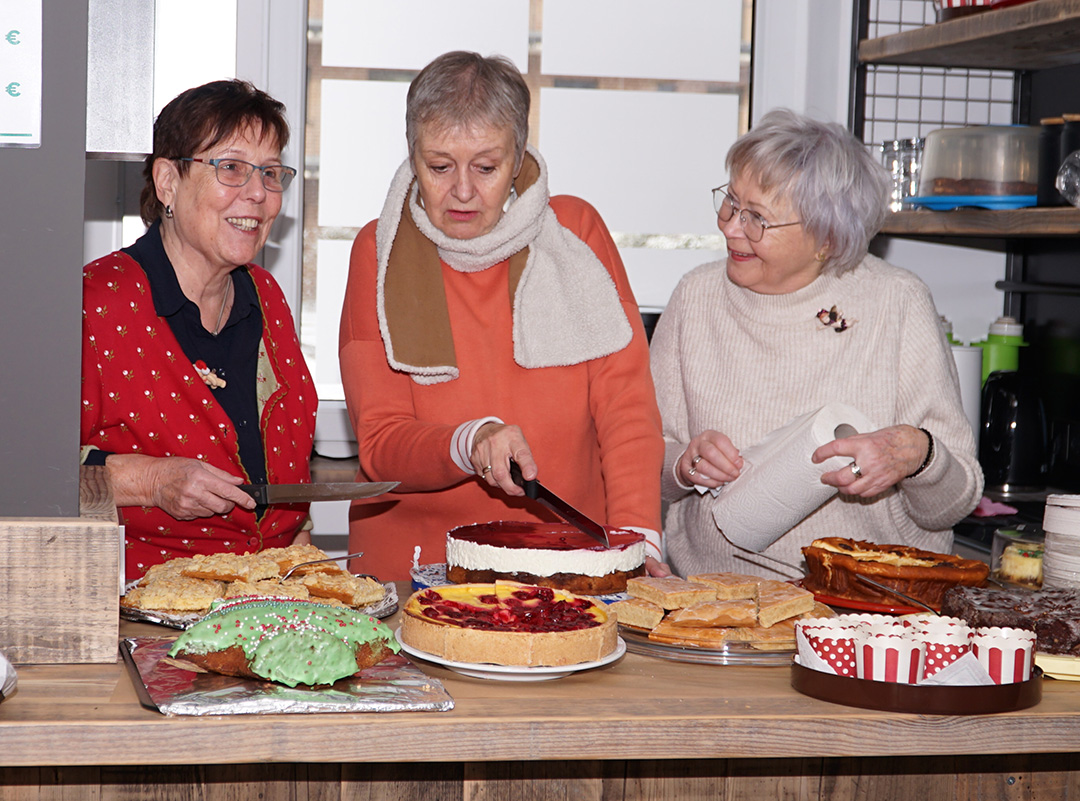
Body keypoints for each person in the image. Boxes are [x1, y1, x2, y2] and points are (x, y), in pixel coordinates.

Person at [339, 51, 665, 581]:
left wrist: (637, 538)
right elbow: (381, 444)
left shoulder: (575, 235)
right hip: (414, 571)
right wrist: (470, 441)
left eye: (486, 168)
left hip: (571, 563)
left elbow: (626, 409)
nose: (462, 191)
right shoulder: (378, 251)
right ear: (412, 155)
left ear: (517, 159)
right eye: (439, 167)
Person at [649, 108, 983, 579]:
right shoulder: (696, 298)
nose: (729, 226)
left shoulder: (896, 302)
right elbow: (643, 458)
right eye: (729, 201)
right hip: (717, 603)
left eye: (756, 218)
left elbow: (950, 504)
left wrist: (917, 456)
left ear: (825, 237)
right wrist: (683, 465)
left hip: (865, 611)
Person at [81, 79, 317, 580]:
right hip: (136, 613)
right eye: (231, 168)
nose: (258, 193)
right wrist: (151, 481)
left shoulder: (267, 298)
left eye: (271, 173)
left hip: (267, 606)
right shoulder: (94, 303)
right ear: (168, 182)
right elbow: (26, 472)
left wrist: (301, 547)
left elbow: (282, 472)